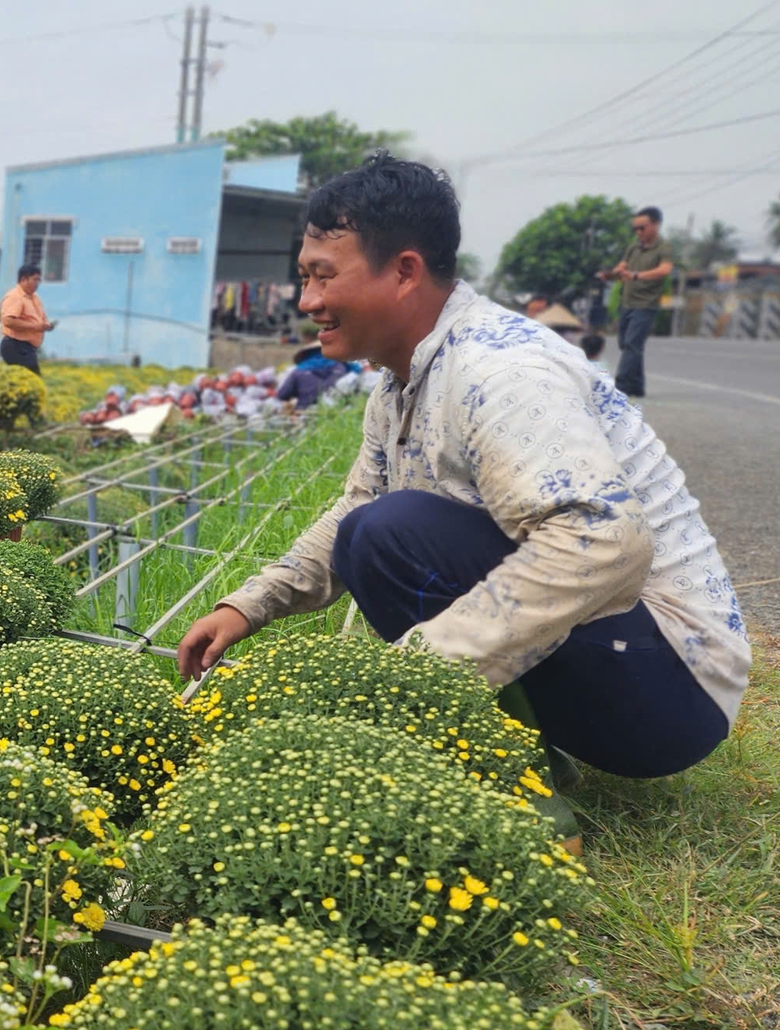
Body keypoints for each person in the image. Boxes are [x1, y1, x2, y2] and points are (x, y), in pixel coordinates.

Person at [177, 156, 746, 780]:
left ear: (404, 272)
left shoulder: (499, 371)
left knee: (391, 532)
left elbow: (605, 542)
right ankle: (518, 747)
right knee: (370, 532)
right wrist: (248, 607)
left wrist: (413, 679)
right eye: (304, 279)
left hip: (672, 685)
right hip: (620, 656)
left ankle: (513, 780)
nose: (308, 300)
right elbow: (354, 511)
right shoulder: (400, 383)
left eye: (321, 277)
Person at [597, 205, 673, 399]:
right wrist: (610, 275)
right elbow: (622, 267)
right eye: (635, 229)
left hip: (646, 304)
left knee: (632, 344)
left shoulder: (663, 248)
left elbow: (665, 270)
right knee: (626, 344)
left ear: (656, 225)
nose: (638, 232)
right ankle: (637, 386)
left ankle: (621, 386)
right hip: (627, 302)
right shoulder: (633, 247)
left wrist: (637, 275)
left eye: (642, 228)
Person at [0, 262, 55, 372]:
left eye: (39, 280)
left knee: (29, 380)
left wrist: (46, 324)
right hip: (15, 346)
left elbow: (41, 317)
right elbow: (8, 321)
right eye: (35, 279)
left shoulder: (35, 298)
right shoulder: (15, 296)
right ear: (24, 279)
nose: (37, 283)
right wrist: (35, 327)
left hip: (27, 347)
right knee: (31, 379)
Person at [274, 343, 344, 409]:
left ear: (307, 355)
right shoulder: (341, 367)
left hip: (303, 410)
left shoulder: (298, 371)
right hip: (334, 411)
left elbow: (282, 395)